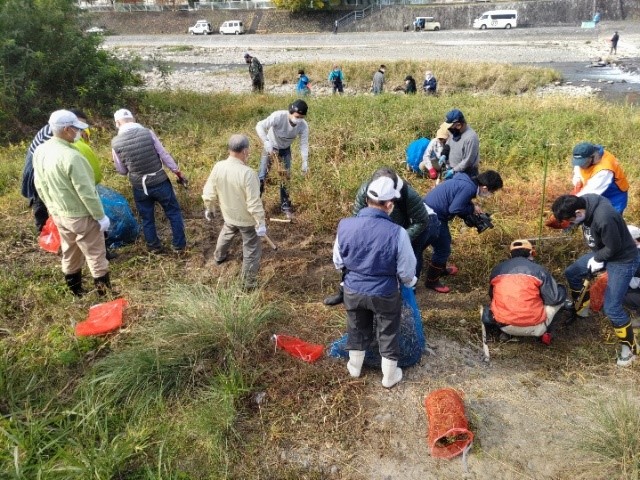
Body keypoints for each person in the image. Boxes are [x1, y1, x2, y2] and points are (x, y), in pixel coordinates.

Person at [332, 176, 417, 388]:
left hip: (353, 289)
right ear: (389, 205)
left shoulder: (345, 225)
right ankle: (389, 377)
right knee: (388, 331)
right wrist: (410, 281)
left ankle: (354, 368)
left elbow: (337, 261)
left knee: (356, 327)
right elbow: (406, 271)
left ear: (367, 199)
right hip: (385, 292)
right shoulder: (398, 233)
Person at [552, 194, 640, 367]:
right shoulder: (586, 201)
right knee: (572, 273)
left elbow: (613, 248)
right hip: (602, 252)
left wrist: (598, 259)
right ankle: (581, 310)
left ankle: (630, 351)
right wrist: (597, 257)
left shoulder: (604, 217)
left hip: (622, 259)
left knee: (612, 307)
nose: (571, 224)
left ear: (578, 212)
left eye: (571, 221)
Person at [33, 110, 112, 296]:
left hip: (60, 214)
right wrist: (100, 217)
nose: (80, 133)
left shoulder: (41, 150)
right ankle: (105, 295)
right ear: (67, 129)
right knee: (96, 255)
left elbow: (40, 185)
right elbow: (87, 192)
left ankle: (76, 293)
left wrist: (52, 209)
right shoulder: (72, 157)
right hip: (82, 215)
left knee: (70, 252)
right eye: (77, 129)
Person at [324, 167, 428, 306]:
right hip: (373, 232)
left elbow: (422, 221)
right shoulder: (366, 190)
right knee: (356, 261)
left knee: (403, 265)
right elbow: (357, 219)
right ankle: (344, 291)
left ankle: (402, 297)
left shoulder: (408, 195)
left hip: (399, 232)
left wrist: (400, 239)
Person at [111, 108, 188, 253]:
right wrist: (177, 172)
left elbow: (122, 170)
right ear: (133, 119)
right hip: (159, 181)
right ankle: (179, 245)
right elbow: (163, 155)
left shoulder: (115, 143)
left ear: (117, 123)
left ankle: (153, 247)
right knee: (173, 212)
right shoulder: (147, 133)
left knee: (147, 218)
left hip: (139, 186)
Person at [422, 170, 503, 293]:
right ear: (485, 188)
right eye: (492, 192)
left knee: (446, 240)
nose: (491, 194)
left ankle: (441, 270)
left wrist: (471, 207)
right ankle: (431, 281)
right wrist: (471, 208)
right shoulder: (469, 188)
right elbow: (455, 208)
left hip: (430, 209)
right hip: (433, 215)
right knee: (443, 249)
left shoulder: (466, 181)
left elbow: (457, 201)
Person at [202, 134, 266, 289]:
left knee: (227, 232)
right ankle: (248, 282)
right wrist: (261, 223)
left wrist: (209, 207)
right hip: (247, 220)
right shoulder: (248, 173)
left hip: (229, 215)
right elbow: (253, 203)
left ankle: (219, 256)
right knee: (251, 247)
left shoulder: (219, 166)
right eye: (248, 151)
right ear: (245, 151)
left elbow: (209, 191)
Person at [482, 239, 567, 343]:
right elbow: (554, 299)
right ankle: (547, 335)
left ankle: (507, 334)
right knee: (559, 300)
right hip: (534, 327)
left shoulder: (497, 269)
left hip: (504, 325)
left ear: (510, 254)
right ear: (531, 253)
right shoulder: (539, 270)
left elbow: (492, 296)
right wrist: (562, 289)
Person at [255, 99, 309, 218]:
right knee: (262, 175)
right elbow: (259, 126)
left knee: (285, 177)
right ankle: (254, 204)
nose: (298, 119)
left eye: (301, 117)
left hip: (285, 150)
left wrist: (305, 161)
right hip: (270, 147)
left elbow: (304, 144)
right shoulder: (278, 116)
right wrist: (266, 142)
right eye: (296, 116)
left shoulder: (303, 126)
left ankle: (285, 206)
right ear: (290, 112)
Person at [570, 142, 628, 214]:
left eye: (584, 163)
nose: (581, 166)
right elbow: (578, 169)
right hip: (596, 191)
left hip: (613, 198)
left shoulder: (604, 170)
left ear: (593, 157)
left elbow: (589, 193)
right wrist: (578, 180)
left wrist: (571, 205)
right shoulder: (587, 156)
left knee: (609, 220)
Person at [21, 122, 54, 232]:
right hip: (36, 166)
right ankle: (43, 231)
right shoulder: (51, 133)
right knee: (39, 197)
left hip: (43, 162)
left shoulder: (59, 129)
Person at [442, 108, 480, 178]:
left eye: (452, 128)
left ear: (459, 125)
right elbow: (449, 142)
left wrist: (454, 171)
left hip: (466, 174)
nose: (450, 130)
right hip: (452, 169)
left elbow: (468, 161)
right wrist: (444, 154)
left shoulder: (470, 138)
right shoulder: (455, 132)